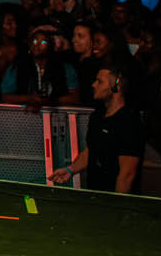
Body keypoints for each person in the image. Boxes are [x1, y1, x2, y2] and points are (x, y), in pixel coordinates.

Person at [50, 64, 144, 193]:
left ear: (117, 86)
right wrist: (70, 170)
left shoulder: (129, 122)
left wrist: (118, 205)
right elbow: (91, 151)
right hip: (95, 191)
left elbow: (127, 174)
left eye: (100, 82)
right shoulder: (97, 116)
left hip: (114, 197)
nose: (94, 85)